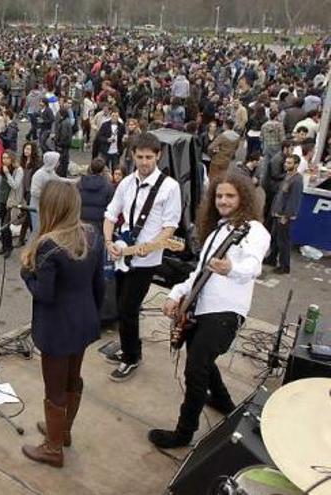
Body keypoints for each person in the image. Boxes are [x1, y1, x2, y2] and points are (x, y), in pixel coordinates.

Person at [150, 173, 270, 448]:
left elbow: (253, 266)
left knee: (195, 369)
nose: (223, 201)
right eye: (219, 196)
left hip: (225, 312)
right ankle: (223, 401)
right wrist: (176, 293)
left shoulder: (253, 230)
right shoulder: (218, 230)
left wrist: (232, 269)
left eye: (230, 196)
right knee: (200, 359)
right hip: (201, 307)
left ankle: (184, 433)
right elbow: (199, 274)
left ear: (243, 197)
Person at [20, 180, 105, 467]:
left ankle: (53, 448)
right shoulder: (92, 235)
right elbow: (99, 285)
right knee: (72, 378)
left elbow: (44, 294)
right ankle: (63, 431)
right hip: (83, 322)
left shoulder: (48, 246)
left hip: (57, 328)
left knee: (54, 387)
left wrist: (26, 272)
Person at [103, 132, 182, 381]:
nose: (144, 162)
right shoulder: (126, 183)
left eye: (149, 157)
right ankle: (130, 348)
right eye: (140, 157)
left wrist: (147, 247)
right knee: (121, 306)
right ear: (133, 156)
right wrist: (108, 242)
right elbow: (110, 214)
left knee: (128, 309)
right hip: (121, 255)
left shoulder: (170, 188)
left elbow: (170, 228)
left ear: (158, 155)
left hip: (146, 260)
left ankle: (131, 358)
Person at [264, 154, 304, 275]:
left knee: (283, 241)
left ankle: (284, 266)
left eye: (289, 163)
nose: (285, 165)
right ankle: (272, 258)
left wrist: (286, 216)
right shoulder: (287, 176)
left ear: (296, 165)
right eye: (286, 162)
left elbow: (293, 200)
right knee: (275, 238)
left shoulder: (297, 181)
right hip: (277, 213)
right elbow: (280, 194)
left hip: (284, 216)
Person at [0, 150, 24, 258]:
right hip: (2, 199)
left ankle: (9, 247)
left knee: (6, 225)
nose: (5, 160)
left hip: (10, 201)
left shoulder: (18, 170)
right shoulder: (3, 169)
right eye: (3, 158)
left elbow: (15, 185)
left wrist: (7, 173)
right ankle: (4, 246)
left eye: (7, 158)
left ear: (12, 158)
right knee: (2, 224)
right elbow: (1, 184)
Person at [78, 157, 114, 237]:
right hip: (99, 222)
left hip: (82, 219)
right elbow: (111, 206)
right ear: (103, 170)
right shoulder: (108, 186)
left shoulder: (80, 183)